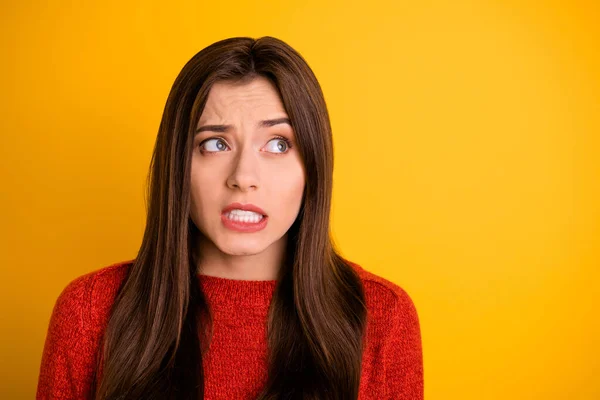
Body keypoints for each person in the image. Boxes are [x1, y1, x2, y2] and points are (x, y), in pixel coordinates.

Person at [36, 36, 423, 400]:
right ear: (177, 166)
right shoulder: (88, 314)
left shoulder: (383, 318)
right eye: (215, 143)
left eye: (278, 144)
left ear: (314, 167)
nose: (242, 177)